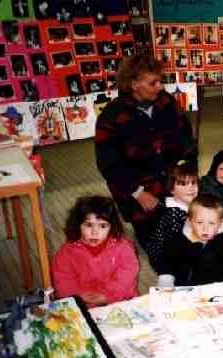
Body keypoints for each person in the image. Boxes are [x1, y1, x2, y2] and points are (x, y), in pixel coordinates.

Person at [95, 54, 197, 250]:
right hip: (137, 194)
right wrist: (138, 192)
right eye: (153, 83)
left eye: (161, 81)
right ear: (134, 84)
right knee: (160, 245)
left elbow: (187, 141)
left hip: (172, 183)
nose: (160, 87)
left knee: (195, 229)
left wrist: (187, 176)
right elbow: (108, 164)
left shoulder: (167, 103)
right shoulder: (112, 116)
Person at [157, 194, 223, 297]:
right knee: (169, 295)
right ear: (190, 221)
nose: (205, 229)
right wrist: (166, 282)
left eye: (212, 223)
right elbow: (166, 263)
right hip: (190, 289)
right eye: (199, 223)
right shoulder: (177, 240)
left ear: (220, 223)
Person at [52, 195, 139, 308]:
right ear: (78, 225)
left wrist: (106, 296)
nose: (95, 232)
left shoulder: (124, 248)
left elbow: (127, 278)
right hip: (82, 304)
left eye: (103, 226)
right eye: (89, 225)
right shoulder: (66, 253)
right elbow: (63, 282)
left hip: (119, 301)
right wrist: (79, 298)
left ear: (112, 227)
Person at [147, 161, 199, 272]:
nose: (191, 188)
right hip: (168, 256)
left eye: (194, 183)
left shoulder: (188, 204)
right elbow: (178, 246)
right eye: (183, 184)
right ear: (171, 189)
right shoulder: (173, 214)